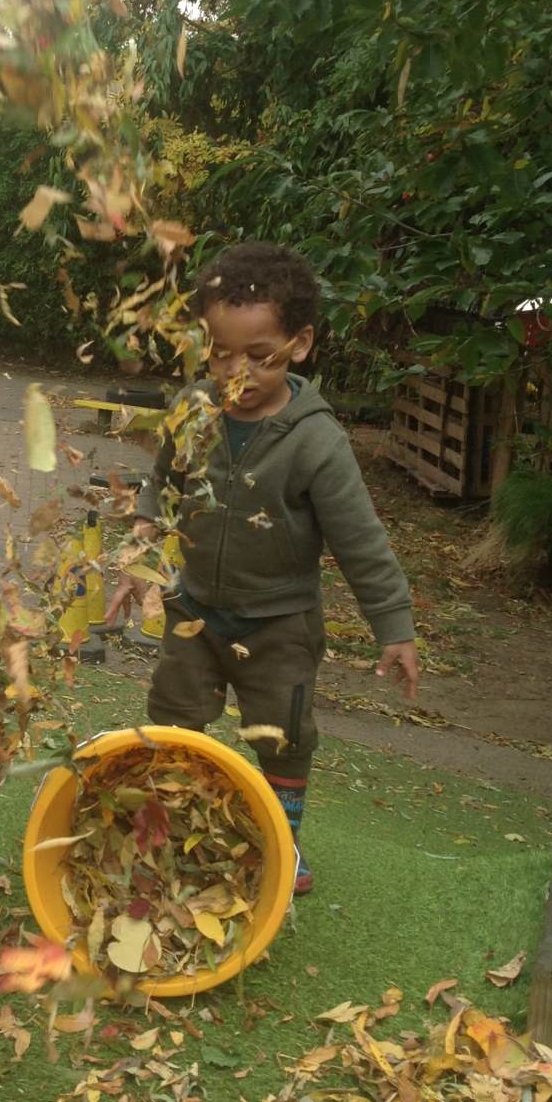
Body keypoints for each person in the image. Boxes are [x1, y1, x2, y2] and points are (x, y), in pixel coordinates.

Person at [105, 242, 419, 896]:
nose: (236, 371)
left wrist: (394, 626)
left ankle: (281, 840)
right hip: (194, 609)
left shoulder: (315, 440)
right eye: (220, 353)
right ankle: (168, 826)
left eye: (259, 355)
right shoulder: (193, 409)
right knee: (172, 719)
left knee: (283, 737)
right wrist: (137, 560)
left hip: (279, 625)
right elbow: (161, 489)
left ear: (299, 345)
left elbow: (360, 540)